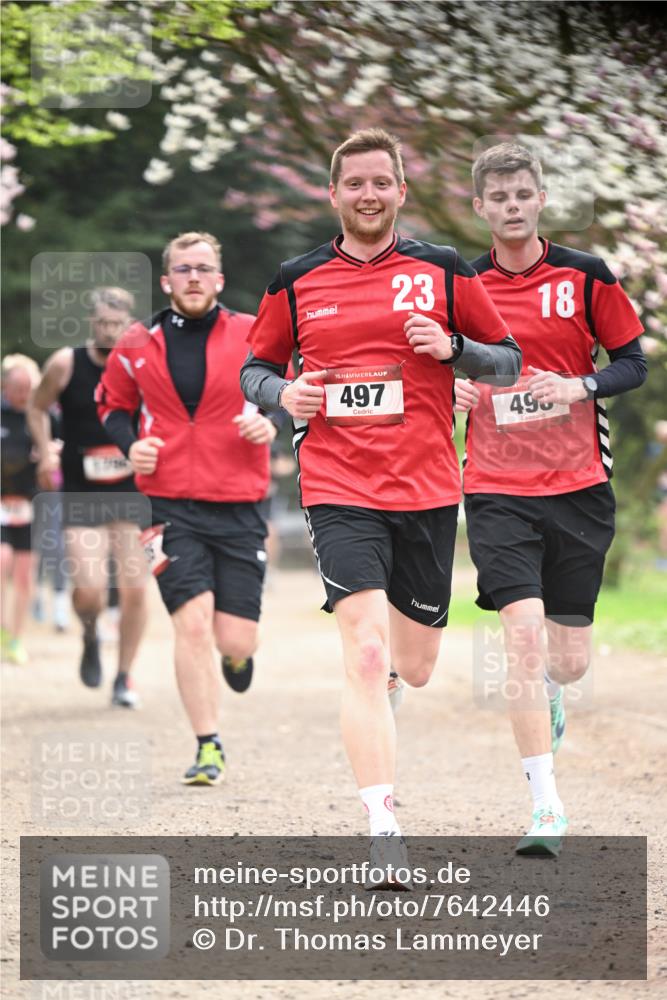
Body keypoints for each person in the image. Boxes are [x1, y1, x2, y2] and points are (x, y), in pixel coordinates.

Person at [241, 128, 521, 859]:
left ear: (400, 189)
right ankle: (382, 824)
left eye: (380, 182)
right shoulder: (294, 278)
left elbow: (507, 364)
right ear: (332, 194)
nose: (367, 195)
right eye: (353, 184)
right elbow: (257, 369)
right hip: (337, 483)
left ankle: (394, 686)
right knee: (363, 654)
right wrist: (284, 392)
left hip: (426, 487)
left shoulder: (442, 269)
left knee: (414, 667)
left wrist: (454, 349)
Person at [457, 142, 647, 854]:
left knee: (566, 661)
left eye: (521, 195)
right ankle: (544, 806)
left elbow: (632, 362)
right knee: (522, 636)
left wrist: (580, 385)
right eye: (497, 197)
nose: (510, 206)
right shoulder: (460, 285)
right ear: (480, 208)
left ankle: (556, 694)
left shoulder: (585, 276)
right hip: (495, 485)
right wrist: (453, 389)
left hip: (577, 485)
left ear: (539, 200)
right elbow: (438, 364)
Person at [96, 231, 277, 785]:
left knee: (232, 638)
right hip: (169, 505)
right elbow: (111, 405)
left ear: (218, 280)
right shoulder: (136, 341)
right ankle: (208, 744)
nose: (193, 277)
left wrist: (272, 421)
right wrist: (130, 445)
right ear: (166, 280)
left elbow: (285, 391)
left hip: (241, 502)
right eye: (183, 269)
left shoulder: (251, 333)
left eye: (202, 268)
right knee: (191, 626)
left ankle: (239, 658)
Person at [27, 287, 149, 707]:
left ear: (130, 324)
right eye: (103, 323)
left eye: (118, 324)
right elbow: (36, 407)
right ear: (91, 322)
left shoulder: (141, 365)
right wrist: (45, 450)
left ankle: (124, 676)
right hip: (83, 495)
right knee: (90, 589)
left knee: (135, 589)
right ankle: (91, 633)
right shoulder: (66, 364)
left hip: (134, 495)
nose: (110, 331)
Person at [1, 355, 41, 665]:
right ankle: (1, 631)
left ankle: (15, 637)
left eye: (29, 388)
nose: (22, 394)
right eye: (17, 387)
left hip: (30, 505)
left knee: (25, 577)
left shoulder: (42, 418)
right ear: (4, 386)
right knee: (2, 561)